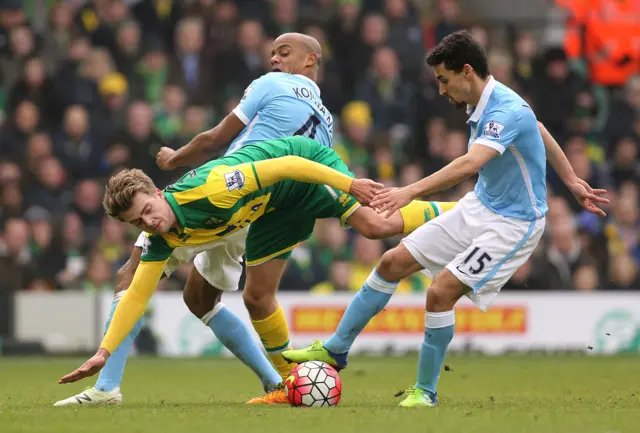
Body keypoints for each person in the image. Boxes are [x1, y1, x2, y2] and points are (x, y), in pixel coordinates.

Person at [54, 32, 455, 406]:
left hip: (259, 187)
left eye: (283, 52)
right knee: (226, 297)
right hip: (263, 204)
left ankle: (108, 387)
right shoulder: (325, 115)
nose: (274, 58)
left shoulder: (267, 86)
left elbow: (223, 141)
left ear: (310, 59)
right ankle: (284, 384)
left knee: (133, 273)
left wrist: (175, 157)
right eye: (272, 54)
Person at [282, 30, 609, 408]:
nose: (441, 90)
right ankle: (336, 350)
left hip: (513, 225)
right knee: (392, 262)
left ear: (466, 71)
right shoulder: (489, 104)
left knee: (439, 293)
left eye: (443, 79)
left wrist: (408, 191)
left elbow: (471, 163)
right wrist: (571, 181)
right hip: (480, 207)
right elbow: (537, 128)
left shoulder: (506, 109)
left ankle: (426, 391)